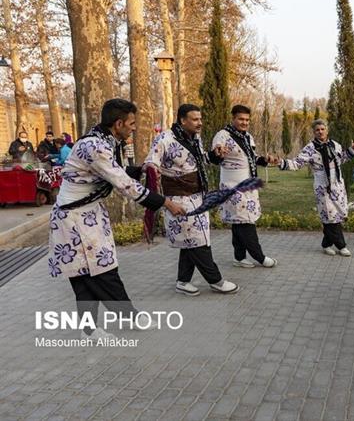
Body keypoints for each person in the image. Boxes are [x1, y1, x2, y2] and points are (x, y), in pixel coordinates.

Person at [49, 98, 186, 341]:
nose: (134, 128)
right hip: (75, 220)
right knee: (102, 270)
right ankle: (129, 317)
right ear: (119, 123)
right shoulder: (95, 146)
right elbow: (124, 185)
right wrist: (165, 203)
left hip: (85, 216)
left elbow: (114, 171)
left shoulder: (102, 140)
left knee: (85, 274)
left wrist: (141, 169)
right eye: (132, 123)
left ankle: (88, 330)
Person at [145, 104, 239, 296]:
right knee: (199, 241)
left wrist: (214, 156)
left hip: (198, 197)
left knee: (191, 240)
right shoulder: (164, 139)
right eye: (195, 119)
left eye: (200, 119)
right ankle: (216, 280)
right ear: (182, 120)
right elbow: (150, 166)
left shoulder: (195, 138)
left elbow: (200, 161)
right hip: (179, 200)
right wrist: (159, 200)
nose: (200, 123)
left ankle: (183, 281)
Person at [212, 105, 278, 268]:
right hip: (232, 187)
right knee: (245, 221)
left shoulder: (248, 137)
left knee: (238, 221)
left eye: (247, 120)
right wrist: (218, 152)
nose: (244, 122)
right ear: (233, 118)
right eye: (241, 119)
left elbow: (252, 158)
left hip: (248, 186)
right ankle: (260, 257)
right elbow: (215, 154)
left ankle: (239, 257)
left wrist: (265, 160)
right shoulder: (223, 135)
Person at [278, 119, 354, 256]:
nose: (320, 132)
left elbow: (340, 160)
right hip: (322, 185)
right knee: (329, 214)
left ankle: (326, 244)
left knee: (337, 214)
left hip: (337, 185)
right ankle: (341, 245)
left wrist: (351, 151)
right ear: (314, 132)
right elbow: (297, 163)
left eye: (322, 129)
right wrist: (281, 162)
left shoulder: (335, 145)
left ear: (327, 130)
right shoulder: (310, 148)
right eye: (317, 130)